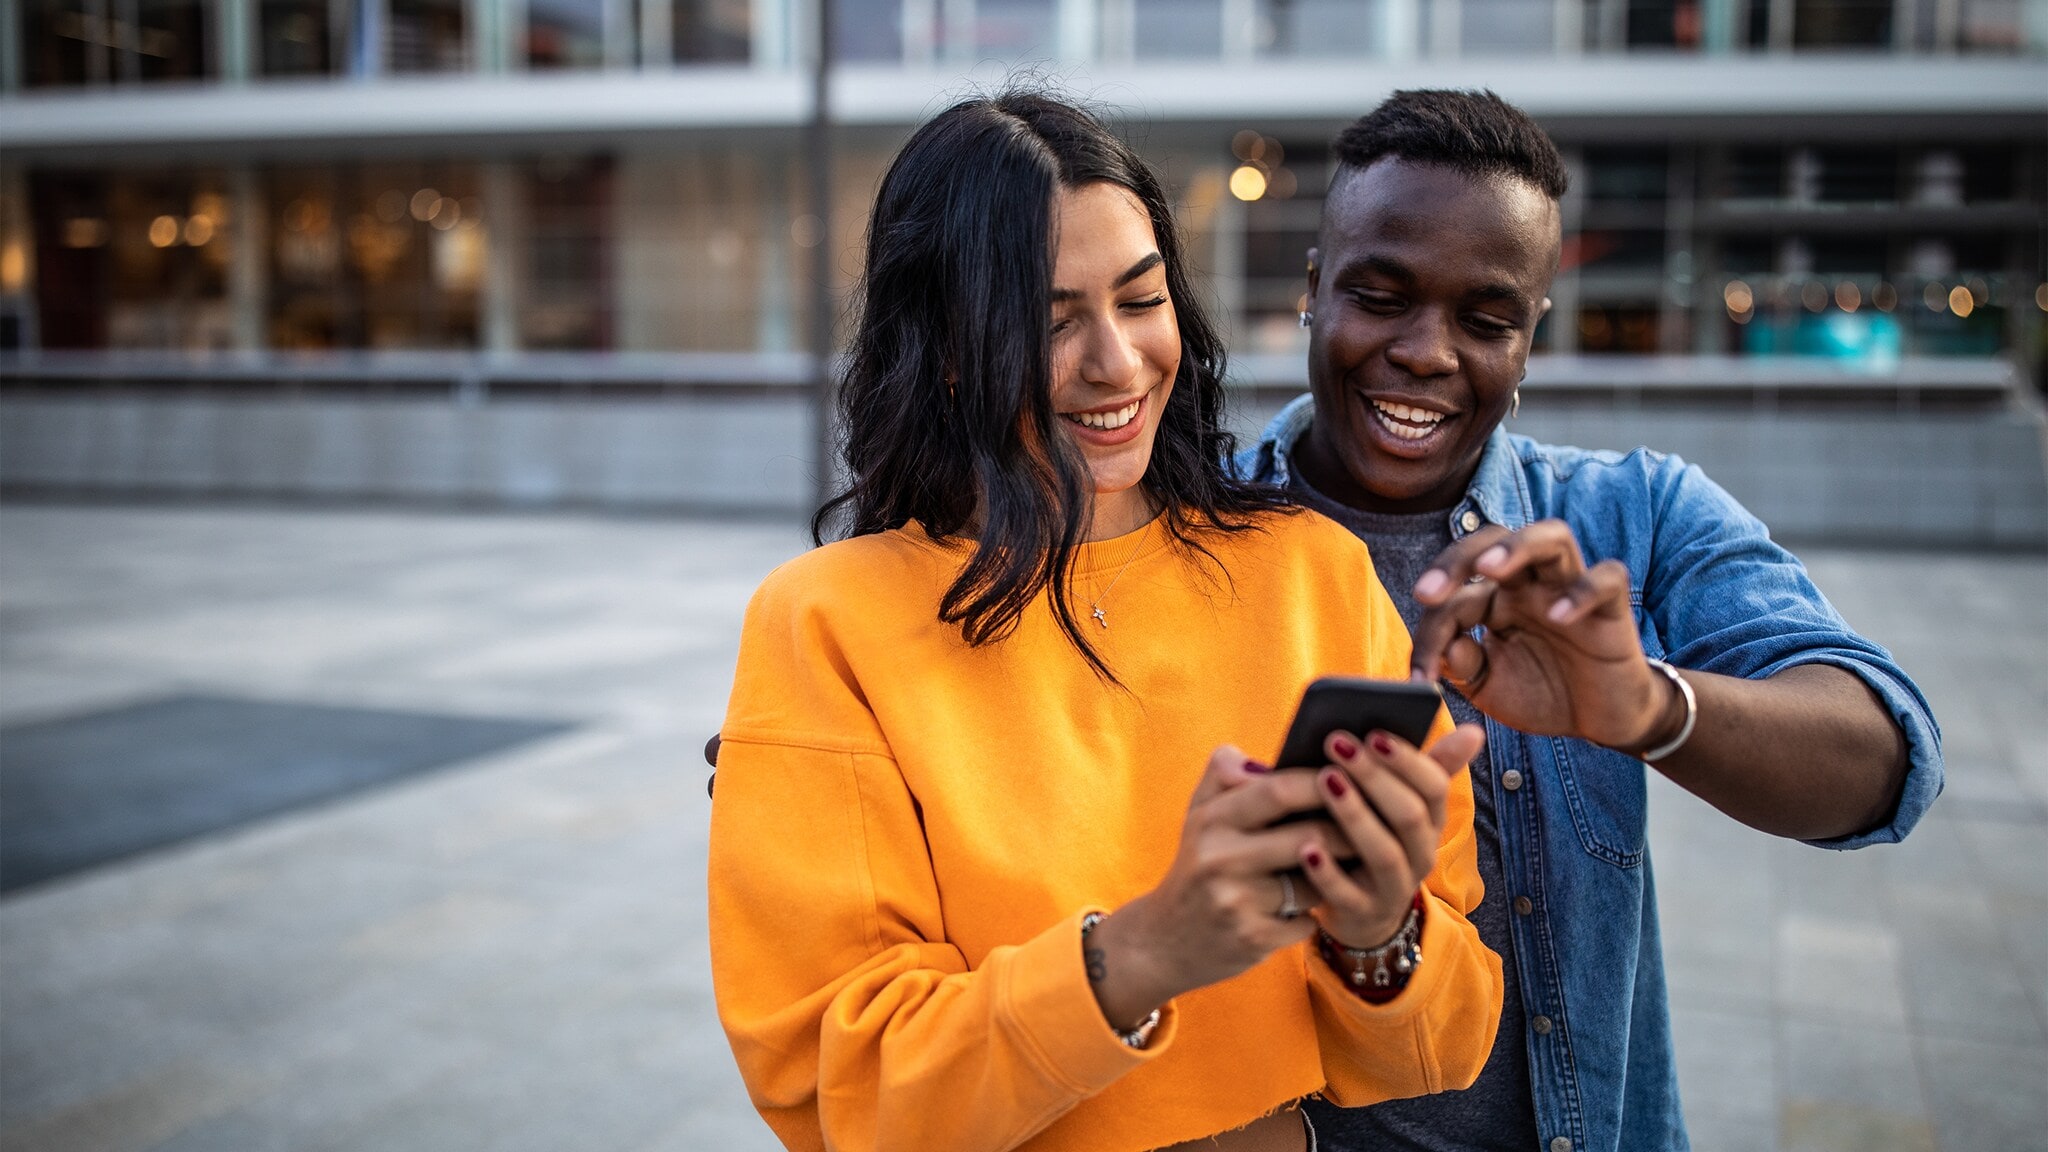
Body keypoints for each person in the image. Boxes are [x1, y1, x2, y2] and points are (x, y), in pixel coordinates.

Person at [708, 92, 1506, 1152]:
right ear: (944, 347)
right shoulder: (826, 625)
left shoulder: (1311, 575)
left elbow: (1435, 1054)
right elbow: (839, 1092)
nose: (1117, 364)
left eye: (1140, 300)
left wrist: (1376, 937)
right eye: (1048, 322)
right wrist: (1134, 958)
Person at [1237, 89, 1944, 1152]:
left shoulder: (1631, 514)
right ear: (1310, 289)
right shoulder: (1185, 522)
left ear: (1528, 339)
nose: (1426, 352)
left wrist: (1645, 707)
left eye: (1484, 320)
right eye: (1379, 296)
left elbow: (1889, 761)